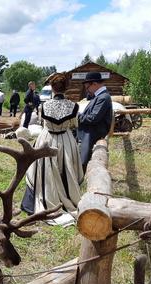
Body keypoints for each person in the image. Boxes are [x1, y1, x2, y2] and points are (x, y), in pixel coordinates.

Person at [21, 73, 83, 215]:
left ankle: (47, 193)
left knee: (45, 167)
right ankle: (68, 196)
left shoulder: (44, 106)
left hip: (47, 139)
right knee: (66, 166)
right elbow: (74, 125)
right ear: (65, 88)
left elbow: (43, 123)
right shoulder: (74, 106)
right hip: (66, 140)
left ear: (53, 88)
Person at [78, 72, 113, 170]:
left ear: (94, 84)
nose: (87, 90)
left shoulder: (103, 97)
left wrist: (77, 117)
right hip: (92, 131)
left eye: (87, 87)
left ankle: (82, 171)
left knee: (83, 161)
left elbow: (93, 118)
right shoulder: (99, 96)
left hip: (93, 133)